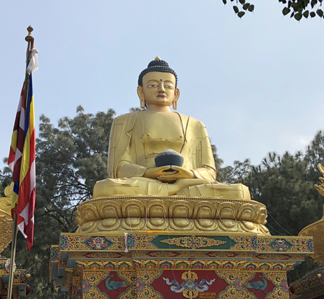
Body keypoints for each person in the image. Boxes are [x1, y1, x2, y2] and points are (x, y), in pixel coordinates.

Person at [93, 57, 250, 199]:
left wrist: (188, 174)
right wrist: (149, 172)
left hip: (187, 183)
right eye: (153, 84)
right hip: (144, 182)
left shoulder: (195, 124)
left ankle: (174, 191)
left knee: (240, 192)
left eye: (167, 85)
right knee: (105, 188)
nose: (161, 89)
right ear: (141, 91)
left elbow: (209, 172)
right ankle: (175, 191)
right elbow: (119, 169)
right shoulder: (125, 121)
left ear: (176, 93)